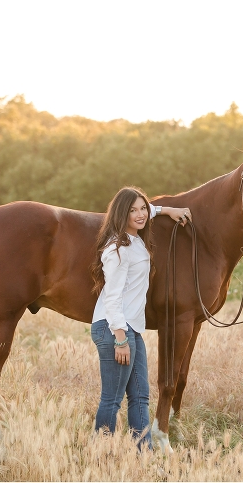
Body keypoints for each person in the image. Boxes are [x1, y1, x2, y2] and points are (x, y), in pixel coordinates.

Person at [89, 186, 191, 450]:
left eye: (142, 208)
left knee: (140, 396)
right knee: (112, 399)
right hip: (114, 329)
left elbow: (150, 211)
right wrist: (120, 339)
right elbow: (111, 297)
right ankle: (100, 454)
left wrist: (167, 209)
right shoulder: (118, 248)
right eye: (133, 210)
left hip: (132, 328)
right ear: (122, 214)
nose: (141, 214)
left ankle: (142, 455)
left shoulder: (134, 238)